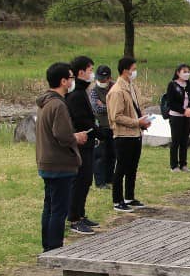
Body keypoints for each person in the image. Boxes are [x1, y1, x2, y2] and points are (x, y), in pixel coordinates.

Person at [35, 62, 87, 251]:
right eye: (71, 78)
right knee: (58, 210)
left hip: (47, 162)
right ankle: (55, 248)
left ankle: (48, 246)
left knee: (49, 208)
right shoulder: (58, 104)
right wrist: (77, 137)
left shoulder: (44, 103)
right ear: (63, 81)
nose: (73, 81)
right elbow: (63, 135)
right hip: (59, 165)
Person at [106, 56, 152, 212]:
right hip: (123, 135)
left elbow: (137, 107)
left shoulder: (132, 86)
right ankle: (117, 200)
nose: (135, 72)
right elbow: (116, 116)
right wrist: (136, 122)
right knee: (121, 168)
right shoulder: (117, 91)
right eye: (133, 69)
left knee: (133, 167)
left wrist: (144, 121)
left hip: (136, 134)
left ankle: (129, 197)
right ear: (125, 71)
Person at [65, 55, 99, 235]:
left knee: (86, 179)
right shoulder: (76, 95)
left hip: (88, 142)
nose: (92, 74)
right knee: (80, 180)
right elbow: (81, 121)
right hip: (81, 143)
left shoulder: (82, 91)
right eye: (90, 70)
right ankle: (74, 218)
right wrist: (97, 131)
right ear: (81, 73)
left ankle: (81, 212)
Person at [165, 63, 190, 173]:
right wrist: (183, 111)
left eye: (188, 71)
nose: (187, 74)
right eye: (184, 71)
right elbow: (171, 102)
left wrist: (189, 109)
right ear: (178, 72)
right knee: (176, 141)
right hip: (176, 116)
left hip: (187, 116)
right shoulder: (172, 85)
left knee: (184, 140)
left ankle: (183, 164)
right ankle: (174, 165)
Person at [89, 65, 115, 190]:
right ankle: (100, 182)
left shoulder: (115, 88)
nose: (102, 81)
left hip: (113, 126)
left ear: (109, 78)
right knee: (99, 156)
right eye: (100, 78)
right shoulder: (94, 91)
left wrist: (105, 105)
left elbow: (118, 106)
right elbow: (97, 108)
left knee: (112, 154)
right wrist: (108, 106)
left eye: (104, 79)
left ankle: (110, 179)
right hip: (100, 127)